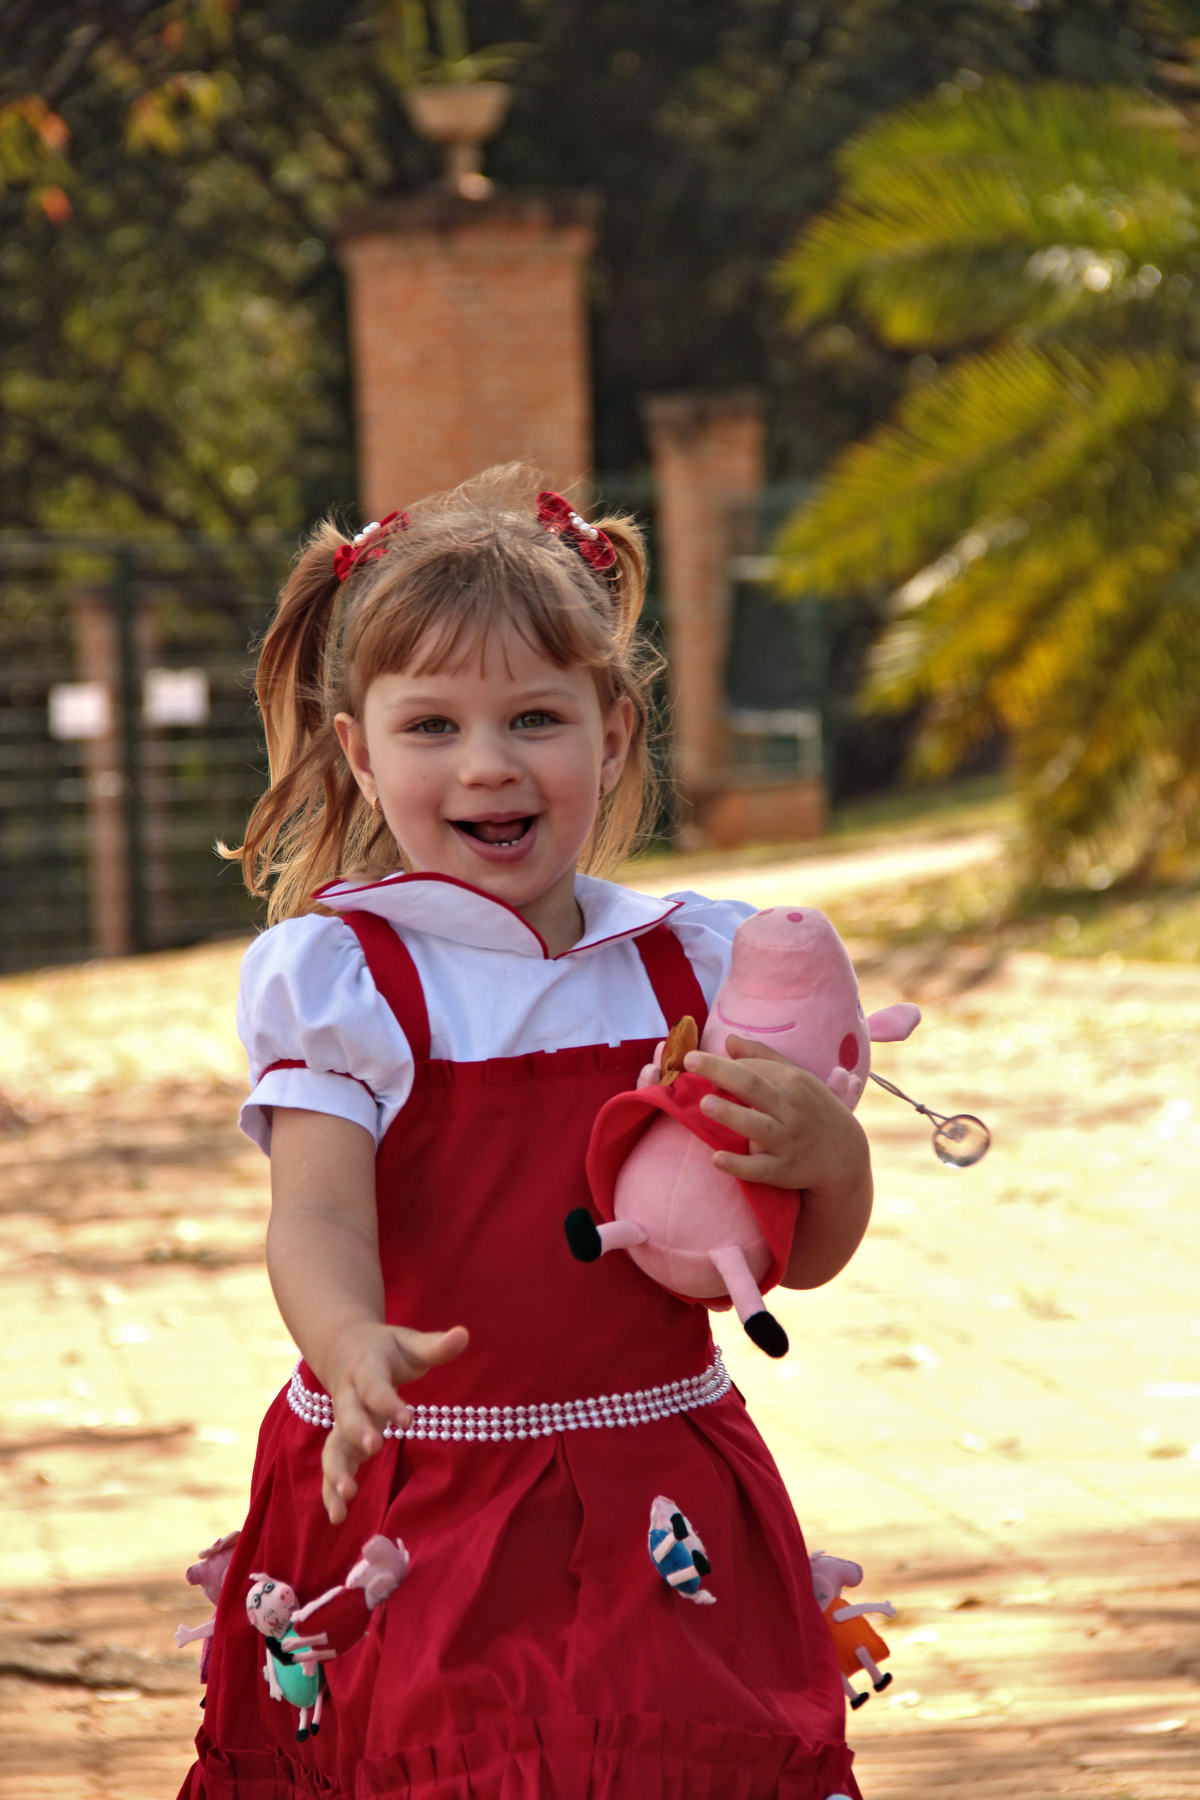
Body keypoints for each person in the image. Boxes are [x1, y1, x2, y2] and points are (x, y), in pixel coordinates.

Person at [176, 465, 872, 1800]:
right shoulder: (346, 978)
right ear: (359, 750)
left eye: (535, 718)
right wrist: (348, 1339)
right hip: (417, 1498)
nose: (487, 762)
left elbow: (789, 1254)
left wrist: (833, 1164)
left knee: (668, 1754)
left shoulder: (691, 966)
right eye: (431, 724)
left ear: (612, 736)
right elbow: (316, 1211)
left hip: (654, 1482)